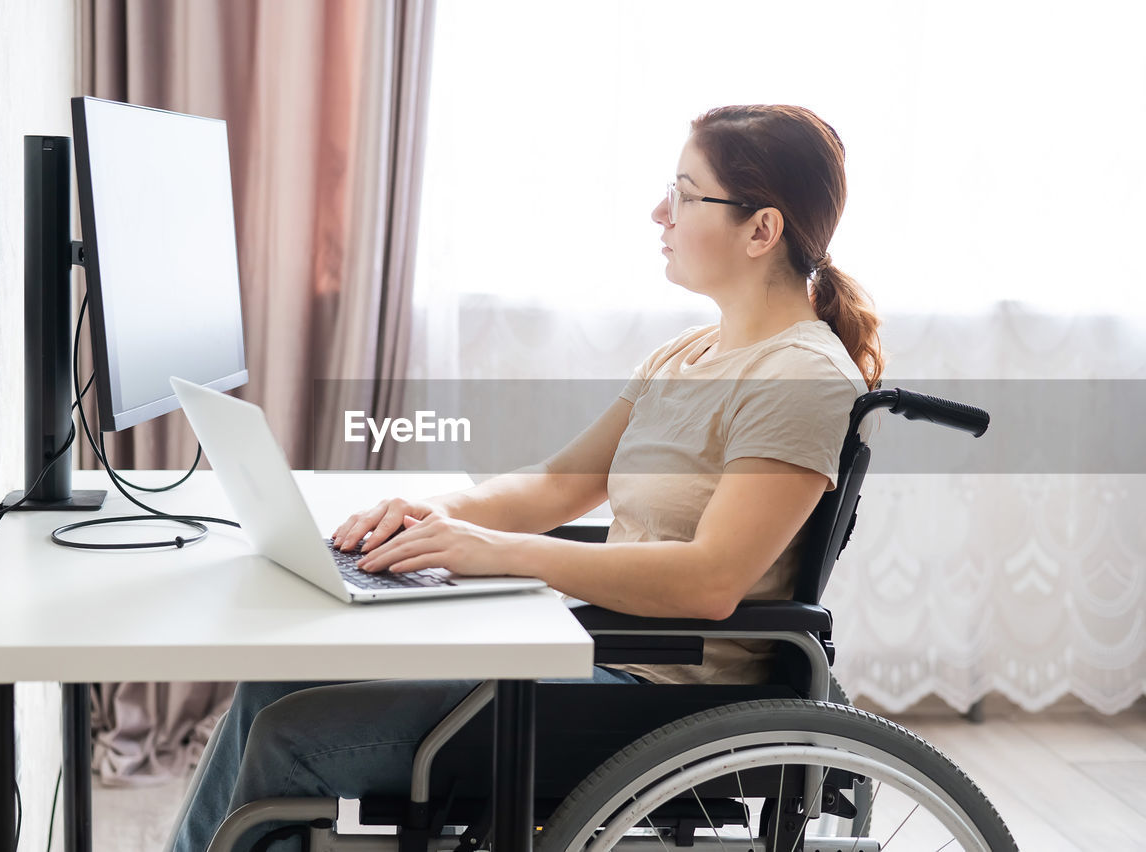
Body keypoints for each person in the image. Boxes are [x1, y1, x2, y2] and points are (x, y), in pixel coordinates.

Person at [168, 103, 884, 851]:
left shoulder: (800, 380)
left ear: (761, 230)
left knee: (291, 735)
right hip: (589, 654)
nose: (657, 211)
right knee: (272, 688)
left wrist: (495, 551)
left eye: (683, 192)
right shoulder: (687, 356)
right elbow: (554, 486)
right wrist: (425, 513)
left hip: (660, 701)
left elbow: (710, 582)